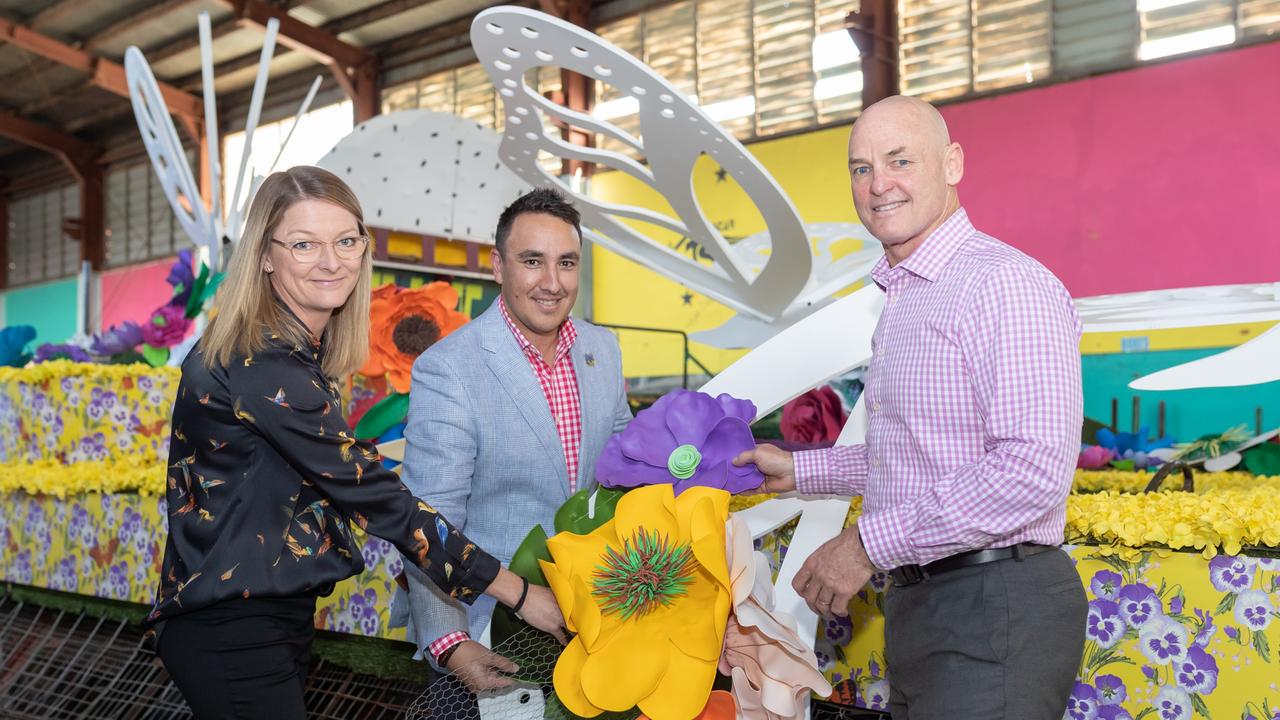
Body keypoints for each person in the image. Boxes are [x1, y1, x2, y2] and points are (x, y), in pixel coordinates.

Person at [147, 166, 566, 720]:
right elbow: (378, 500)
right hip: (233, 630)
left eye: (346, 241)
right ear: (264, 255)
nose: (331, 261)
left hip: (260, 619)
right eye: (304, 244)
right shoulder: (263, 361)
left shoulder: (289, 350)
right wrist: (519, 593)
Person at [734, 96, 1086, 719]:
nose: (878, 185)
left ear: (952, 164)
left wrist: (866, 545)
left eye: (900, 160)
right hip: (925, 604)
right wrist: (798, 471)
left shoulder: (1004, 284)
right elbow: (920, 454)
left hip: (993, 602)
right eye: (861, 168)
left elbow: (1031, 472)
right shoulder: (905, 297)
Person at [397, 187, 633, 692]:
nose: (552, 283)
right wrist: (450, 645)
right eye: (532, 261)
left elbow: (623, 467)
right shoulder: (450, 368)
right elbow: (428, 520)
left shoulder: (602, 349)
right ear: (498, 266)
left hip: (591, 622)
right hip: (489, 628)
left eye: (566, 263)